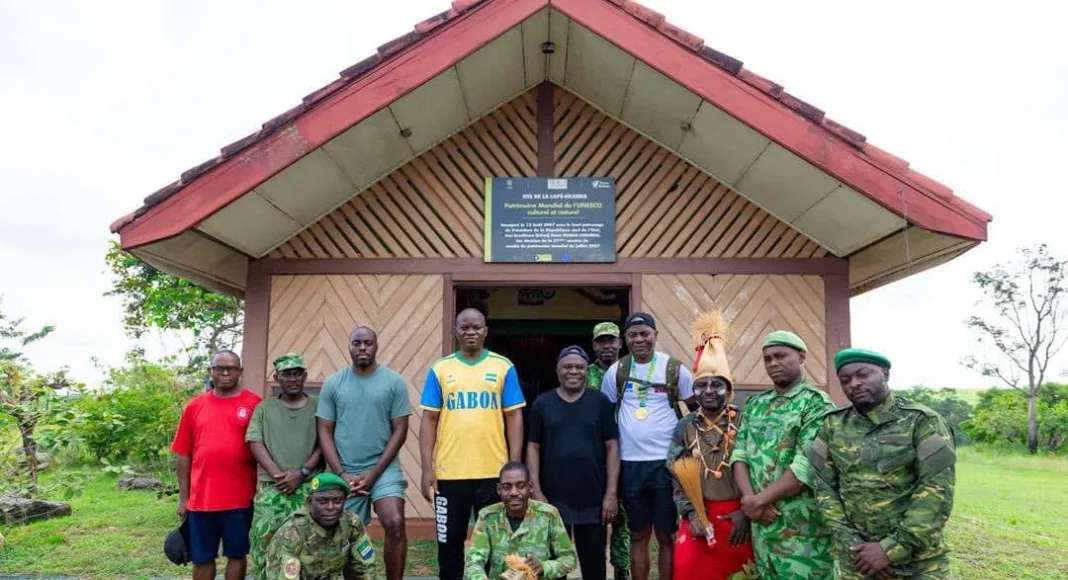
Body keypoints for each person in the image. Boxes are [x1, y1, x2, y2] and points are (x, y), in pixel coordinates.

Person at [808, 349, 957, 579]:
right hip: (857, 562)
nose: (854, 384)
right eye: (845, 380)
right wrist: (853, 545)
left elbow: (937, 491)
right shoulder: (832, 425)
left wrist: (890, 550)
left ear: (885, 374)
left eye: (863, 375)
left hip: (918, 563)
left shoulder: (922, 421)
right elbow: (823, 488)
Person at [419, 308, 526, 580]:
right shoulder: (440, 369)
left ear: (485, 331)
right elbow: (429, 419)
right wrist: (426, 469)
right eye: (464, 327)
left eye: (476, 327)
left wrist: (513, 467)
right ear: (456, 332)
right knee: (449, 544)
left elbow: (514, 415)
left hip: (493, 473)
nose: (470, 332)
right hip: (448, 473)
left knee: (496, 544)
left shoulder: (503, 366)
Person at [728, 331, 835, 579]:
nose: (773, 363)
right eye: (767, 359)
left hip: (802, 531)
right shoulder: (756, 404)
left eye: (781, 356)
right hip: (763, 527)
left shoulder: (816, 404)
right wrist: (748, 499)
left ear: (801, 357)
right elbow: (739, 454)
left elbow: (805, 466)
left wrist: (758, 501)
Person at [601, 312, 694, 580]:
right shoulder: (616, 371)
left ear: (655, 335)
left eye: (645, 333)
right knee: (638, 533)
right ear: (625, 339)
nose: (639, 339)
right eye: (633, 335)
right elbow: (608, 417)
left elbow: (696, 411)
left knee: (667, 534)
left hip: (667, 465)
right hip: (630, 464)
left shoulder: (674, 369)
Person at [317, 326, 410, 580]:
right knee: (344, 532)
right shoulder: (333, 383)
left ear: (376, 346)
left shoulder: (394, 382)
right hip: (344, 469)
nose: (362, 348)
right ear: (349, 346)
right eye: (356, 343)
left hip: (383, 469)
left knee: (394, 522)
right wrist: (340, 473)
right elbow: (324, 430)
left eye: (367, 343)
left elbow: (400, 430)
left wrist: (374, 473)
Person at [667, 310, 754, 579]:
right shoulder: (685, 426)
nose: (707, 391)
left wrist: (746, 512)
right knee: (689, 568)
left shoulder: (747, 421)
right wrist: (693, 515)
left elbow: (762, 469)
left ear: (728, 390)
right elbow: (676, 473)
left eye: (716, 385)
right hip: (700, 516)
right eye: (701, 385)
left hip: (741, 516)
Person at [527, 345, 620, 580]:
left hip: (592, 499)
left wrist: (610, 493)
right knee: (553, 567)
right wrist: (536, 490)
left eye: (579, 367)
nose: (573, 371)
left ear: (586, 371)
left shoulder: (600, 403)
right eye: (567, 366)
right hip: (552, 500)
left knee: (594, 565)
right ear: (558, 370)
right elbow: (532, 447)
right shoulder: (542, 404)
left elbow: (612, 447)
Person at [171, 350, 262, 580]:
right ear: (210, 371)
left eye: (231, 368)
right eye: (219, 368)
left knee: (237, 554)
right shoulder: (195, 406)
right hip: (202, 499)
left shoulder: (254, 404)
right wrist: (184, 498)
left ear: (240, 372)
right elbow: (183, 454)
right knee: (202, 557)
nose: (224, 372)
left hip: (240, 498)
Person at [247, 352, 322, 580]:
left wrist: (302, 473)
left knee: (310, 549)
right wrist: (279, 475)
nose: (292, 379)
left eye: (297, 374)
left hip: (309, 489)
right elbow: (254, 441)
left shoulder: (318, 407)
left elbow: (325, 443)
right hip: (272, 490)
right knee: (263, 546)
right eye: (287, 374)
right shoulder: (264, 408)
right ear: (277, 377)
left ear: (304, 376)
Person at [463, 461, 578, 580]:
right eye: (506, 487)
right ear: (499, 489)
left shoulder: (548, 515)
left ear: (531, 487)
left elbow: (569, 559)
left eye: (521, 486)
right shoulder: (487, 517)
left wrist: (544, 567)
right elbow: (474, 563)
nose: (514, 492)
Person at [264, 473, 377, 580]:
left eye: (337, 501)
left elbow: (367, 568)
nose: (330, 507)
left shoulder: (351, 523)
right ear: (309, 502)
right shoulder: (292, 532)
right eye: (323, 501)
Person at [587, 322, 631, 580]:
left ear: (620, 343)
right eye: (601, 341)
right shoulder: (585, 373)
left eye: (611, 341)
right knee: (594, 520)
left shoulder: (629, 371)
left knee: (623, 520)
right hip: (594, 457)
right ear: (594, 345)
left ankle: (622, 570)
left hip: (626, 455)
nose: (607, 346)